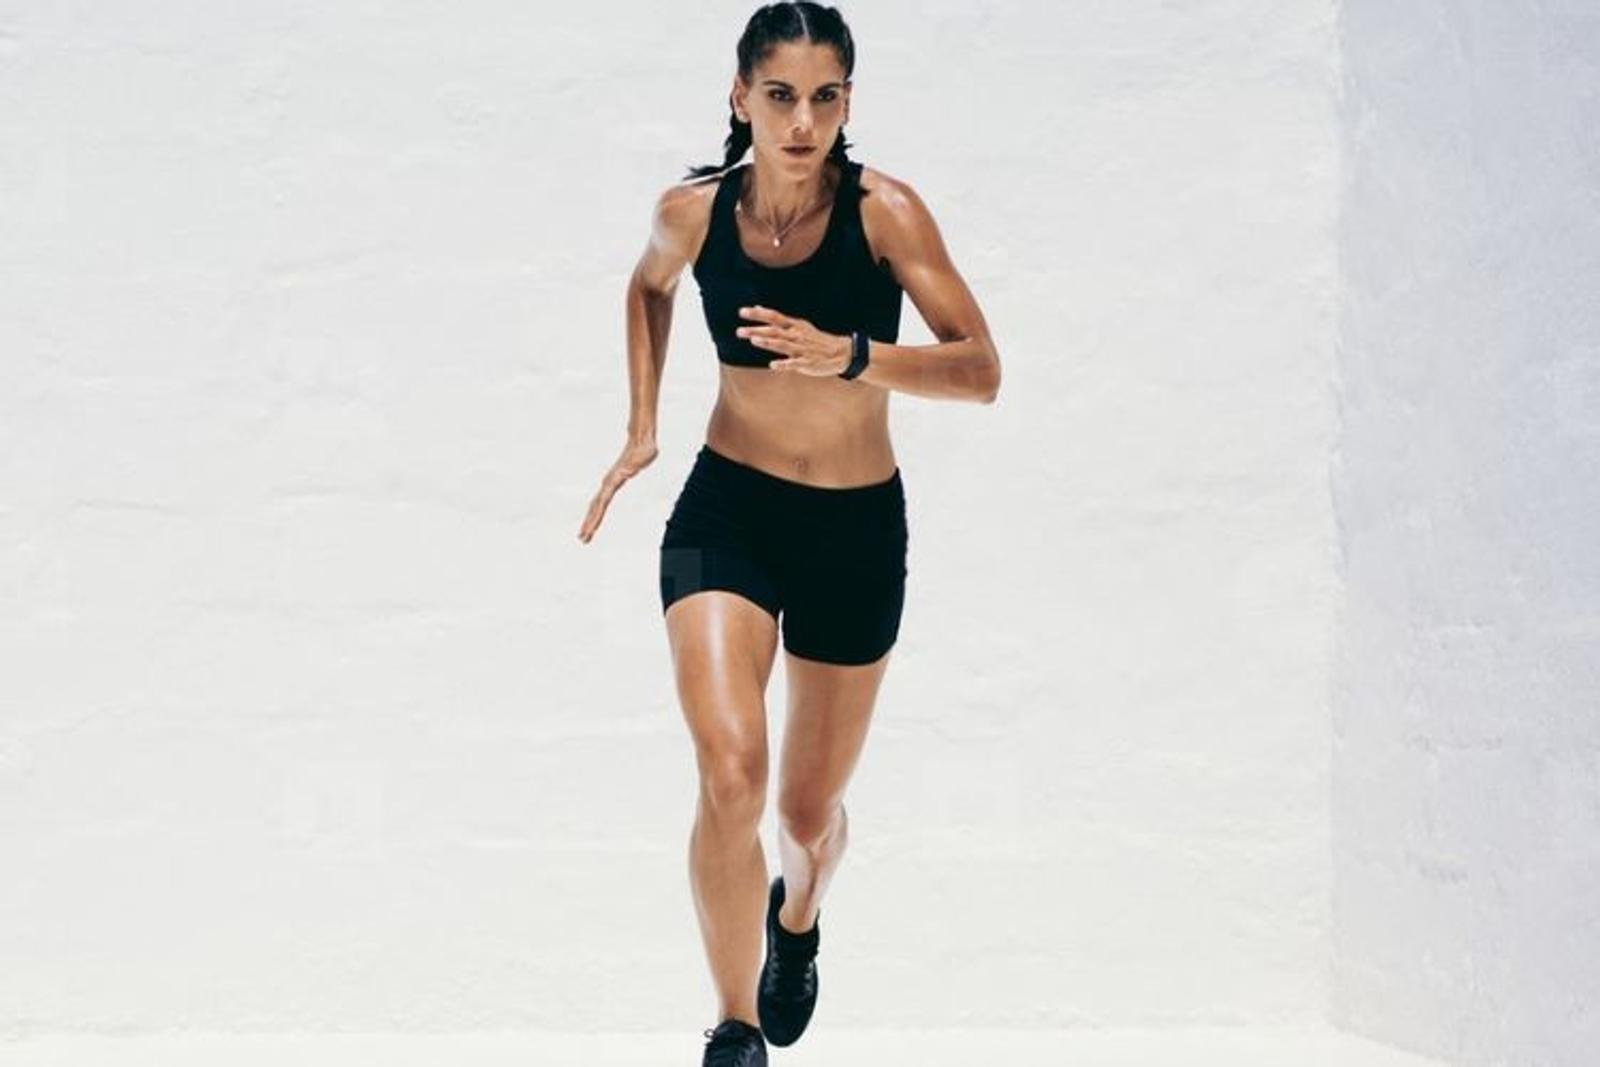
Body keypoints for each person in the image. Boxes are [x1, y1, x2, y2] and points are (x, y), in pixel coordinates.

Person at [577, 3, 999, 1063]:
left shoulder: (886, 214)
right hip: (728, 512)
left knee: (806, 817)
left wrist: (851, 354)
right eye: (779, 96)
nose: (802, 122)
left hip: (855, 532)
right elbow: (647, 285)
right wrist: (641, 426)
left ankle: (798, 914)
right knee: (731, 773)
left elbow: (980, 368)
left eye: (824, 97)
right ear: (741, 98)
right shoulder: (693, 212)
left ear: (847, 103)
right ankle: (734, 1024)